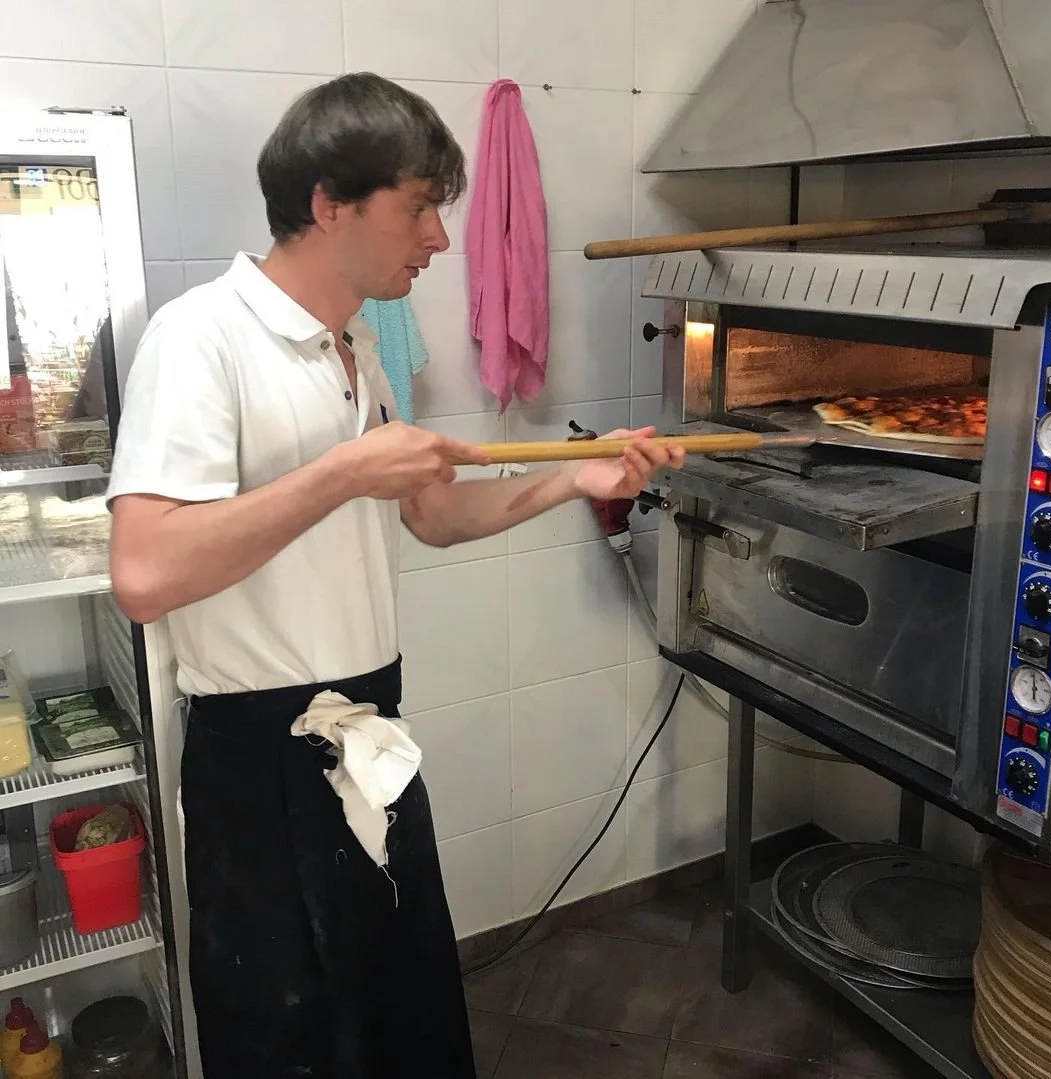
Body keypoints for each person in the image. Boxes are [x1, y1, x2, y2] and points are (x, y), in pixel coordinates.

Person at [106, 72, 684, 1079]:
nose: (439, 240)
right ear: (332, 204)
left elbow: (431, 514)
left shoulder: (355, 346)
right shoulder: (201, 338)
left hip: (368, 734)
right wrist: (340, 473)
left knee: (401, 1019)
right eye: (420, 207)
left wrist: (576, 478)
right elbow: (146, 571)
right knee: (292, 1039)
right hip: (263, 762)